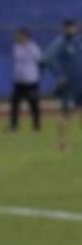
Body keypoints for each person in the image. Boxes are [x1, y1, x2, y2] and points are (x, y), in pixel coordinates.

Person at [41, 18, 82, 152]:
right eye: (69, 27)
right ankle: (62, 144)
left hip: (80, 84)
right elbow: (47, 59)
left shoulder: (77, 42)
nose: (72, 30)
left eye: (73, 27)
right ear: (64, 28)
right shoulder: (60, 43)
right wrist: (59, 75)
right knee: (66, 113)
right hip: (69, 85)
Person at [9, 28, 42, 132]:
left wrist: (36, 75)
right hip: (18, 82)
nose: (16, 37)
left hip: (31, 81)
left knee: (33, 104)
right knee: (14, 104)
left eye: (19, 35)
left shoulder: (33, 48)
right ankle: (14, 127)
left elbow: (40, 60)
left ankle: (36, 127)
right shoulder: (15, 47)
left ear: (25, 36)